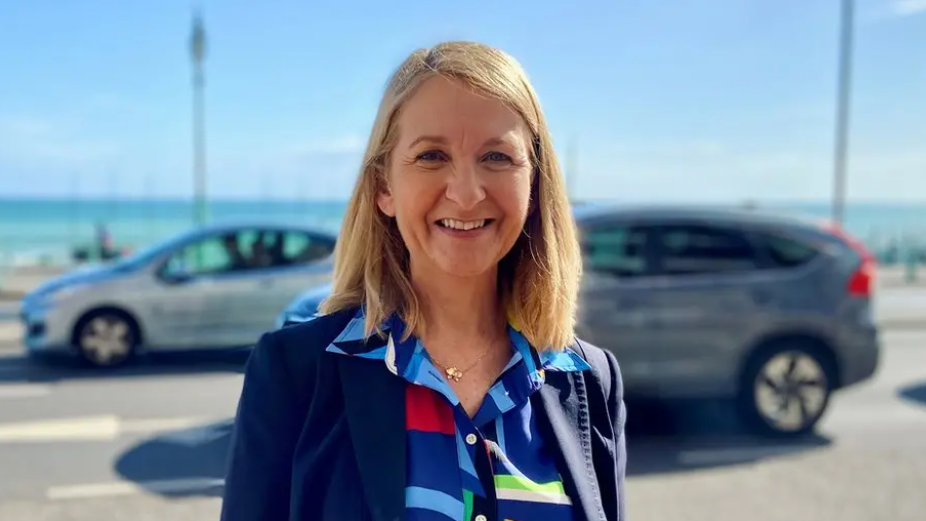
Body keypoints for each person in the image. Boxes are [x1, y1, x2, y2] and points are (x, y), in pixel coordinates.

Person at [221, 41, 627, 521]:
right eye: (432, 156)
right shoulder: (295, 373)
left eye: (496, 157)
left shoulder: (588, 380)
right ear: (384, 188)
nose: (467, 192)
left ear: (535, 187)